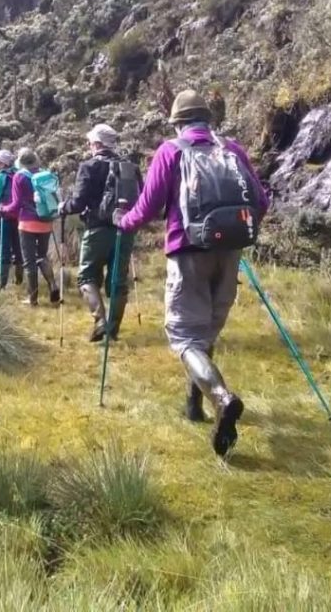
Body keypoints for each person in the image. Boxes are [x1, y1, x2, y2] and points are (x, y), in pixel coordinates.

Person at [115, 90, 269, 457]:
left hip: (187, 250)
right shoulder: (231, 148)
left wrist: (124, 222)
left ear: (177, 122)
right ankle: (193, 405)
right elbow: (260, 201)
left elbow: (149, 205)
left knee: (184, 335)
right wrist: (233, 231)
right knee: (207, 329)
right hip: (230, 250)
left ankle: (220, 398)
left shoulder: (172, 150)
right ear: (207, 119)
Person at [60, 124, 141, 342]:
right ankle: (112, 330)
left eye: (90, 142)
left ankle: (100, 321)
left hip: (97, 228)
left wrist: (63, 207)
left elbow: (78, 203)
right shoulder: (129, 167)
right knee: (118, 280)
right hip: (125, 229)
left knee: (86, 276)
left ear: (97, 144)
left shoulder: (89, 166)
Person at [1, 147, 60, 306]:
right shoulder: (44, 174)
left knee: (29, 261)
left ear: (20, 162)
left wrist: (3, 209)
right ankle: (53, 285)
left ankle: (32, 298)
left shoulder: (19, 177)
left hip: (27, 222)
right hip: (46, 221)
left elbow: (16, 204)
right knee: (42, 256)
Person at [0, 149, 23, 289]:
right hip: (19, 217)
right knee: (18, 248)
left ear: (3, 164)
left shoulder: (0, 178)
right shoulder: (19, 174)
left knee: (3, 249)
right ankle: (19, 280)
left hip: (3, 217)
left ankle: (1, 285)